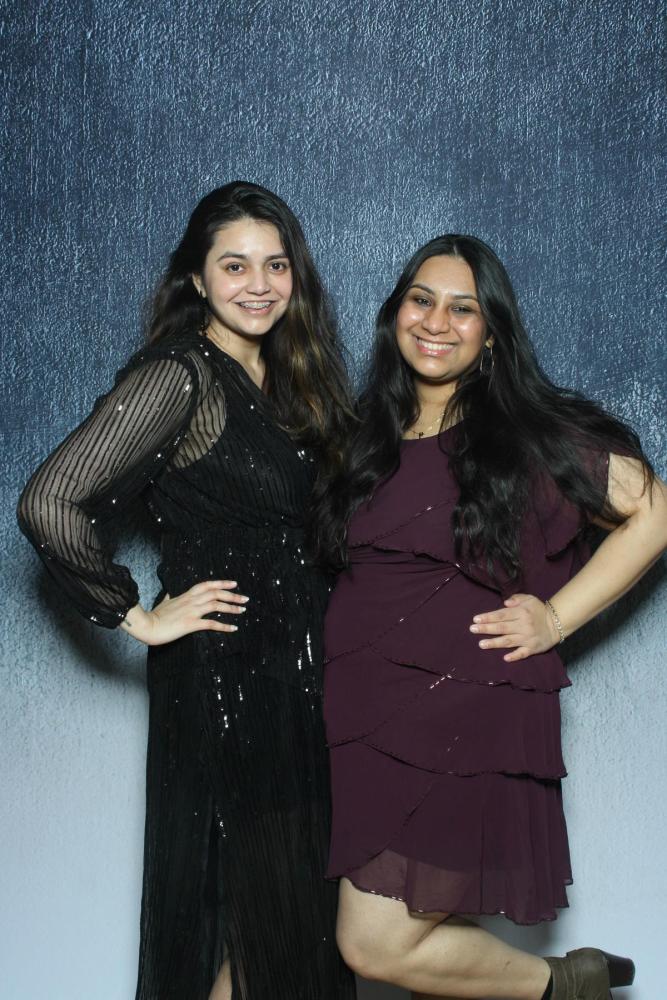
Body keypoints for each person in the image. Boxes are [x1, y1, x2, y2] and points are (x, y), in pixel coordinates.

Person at [18, 181, 357, 1000]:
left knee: (283, 916)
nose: (258, 284)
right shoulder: (181, 375)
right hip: (224, 679)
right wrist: (136, 616)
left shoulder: (293, 377)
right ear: (197, 279)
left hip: (300, 676)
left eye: (275, 264)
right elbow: (49, 501)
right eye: (234, 265)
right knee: (241, 903)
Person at [314, 234, 667, 1000]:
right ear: (395, 313)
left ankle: (563, 984)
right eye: (421, 300)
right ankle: (566, 986)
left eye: (462, 309)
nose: (436, 322)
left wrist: (556, 618)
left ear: (491, 333)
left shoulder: (523, 430)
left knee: (371, 943)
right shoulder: (366, 432)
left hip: (457, 717)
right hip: (362, 723)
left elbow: (653, 510)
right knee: (395, 942)